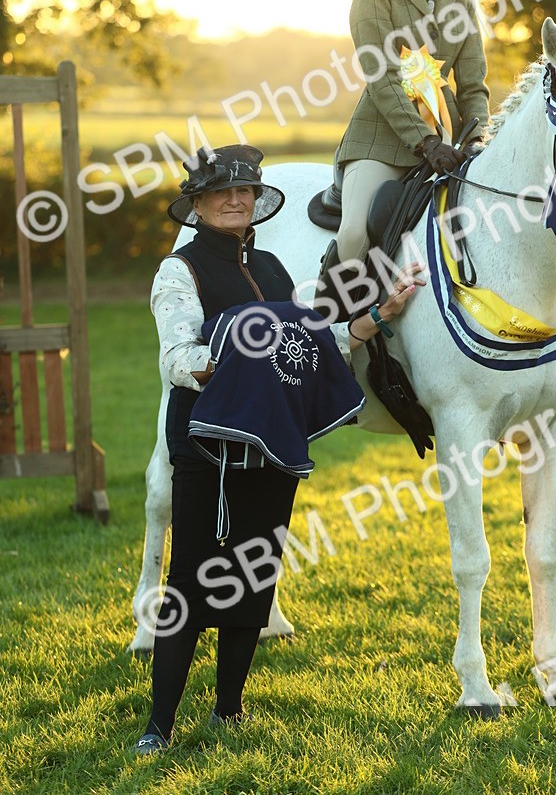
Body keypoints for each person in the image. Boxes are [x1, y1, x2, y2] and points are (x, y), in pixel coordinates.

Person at [134, 144, 423, 755]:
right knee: (190, 581)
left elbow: (313, 342)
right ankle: (158, 726)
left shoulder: (270, 269)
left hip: (272, 441)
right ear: (198, 206)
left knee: (252, 575)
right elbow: (180, 361)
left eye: (245, 191)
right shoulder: (177, 271)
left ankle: (228, 711)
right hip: (205, 443)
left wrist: (378, 313)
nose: (236, 200)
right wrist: (240, 350)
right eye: (222, 193)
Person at [334, 0, 490, 266]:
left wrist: (475, 140)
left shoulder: (462, 4)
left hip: (451, 144)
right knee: (353, 233)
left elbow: (474, 86)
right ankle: (343, 326)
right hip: (383, 142)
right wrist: (425, 140)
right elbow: (382, 76)